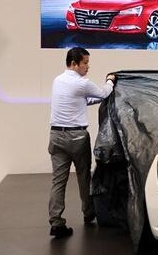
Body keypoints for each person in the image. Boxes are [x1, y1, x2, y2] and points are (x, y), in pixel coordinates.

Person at [48, 47, 116, 238]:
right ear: (74, 63)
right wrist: (110, 80)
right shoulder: (82, 83)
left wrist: (95, 99)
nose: (87, 66)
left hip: (56, 136)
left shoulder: (57, 80)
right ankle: (88, 213)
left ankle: (56, 222)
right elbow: (104, 93)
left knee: (58, 181)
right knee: (83, 177)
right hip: (77, 138)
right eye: (85, 63)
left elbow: (79, 100)